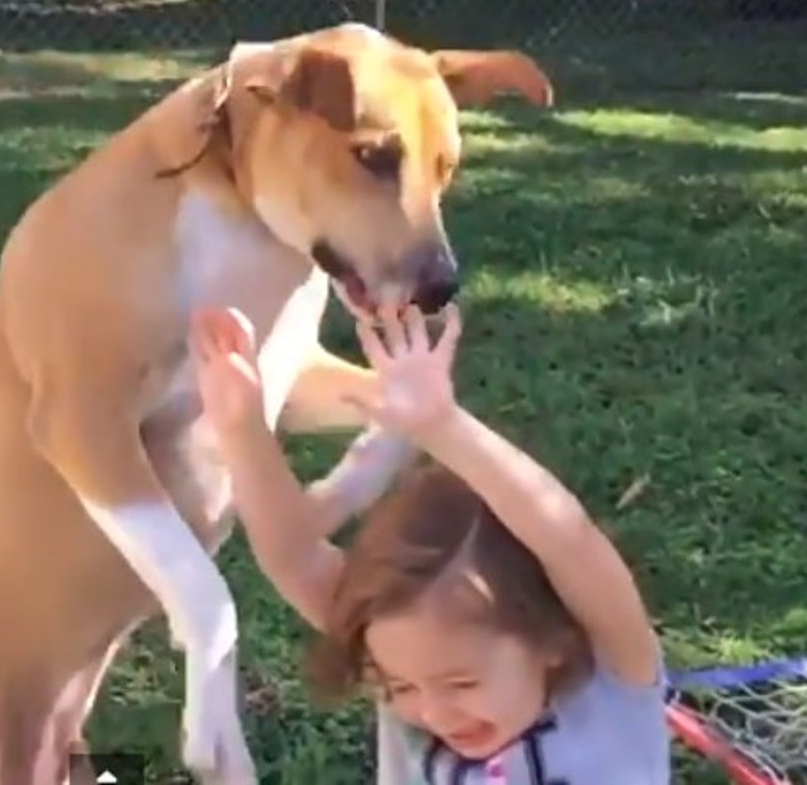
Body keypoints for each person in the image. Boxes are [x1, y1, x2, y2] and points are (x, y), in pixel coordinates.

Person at [190, 303, 671, 784]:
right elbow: (294, 558)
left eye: (463, 682)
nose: (434, 713)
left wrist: (442, 427)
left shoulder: (613, 680)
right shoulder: (409, 656)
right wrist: (242, 431)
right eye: (398, 686)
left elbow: (570, 541)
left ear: (550, 640)